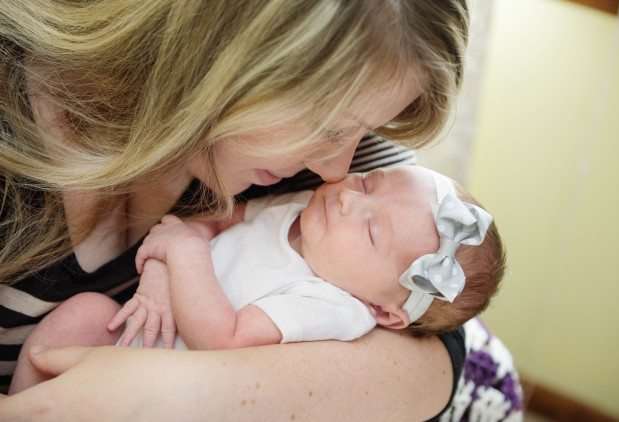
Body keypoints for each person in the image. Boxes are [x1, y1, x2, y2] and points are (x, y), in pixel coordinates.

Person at [0, 1, 518, 421]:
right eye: (331, 127)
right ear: (226, 60)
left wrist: (191, 390)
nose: (340, 172)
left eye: (360, 132)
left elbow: (437, 345)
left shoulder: (360, 184)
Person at [9, 165, 505, 393]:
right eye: (370, 182)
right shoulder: (301, 211)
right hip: (149, 328)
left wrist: (180, 252)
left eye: (372, 230)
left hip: (179, 385)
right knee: (82, 316)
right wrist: (162, 270)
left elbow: (222, 341)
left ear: (383, 311)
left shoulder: (332, 305)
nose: (350, 198)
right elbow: (213, 219)